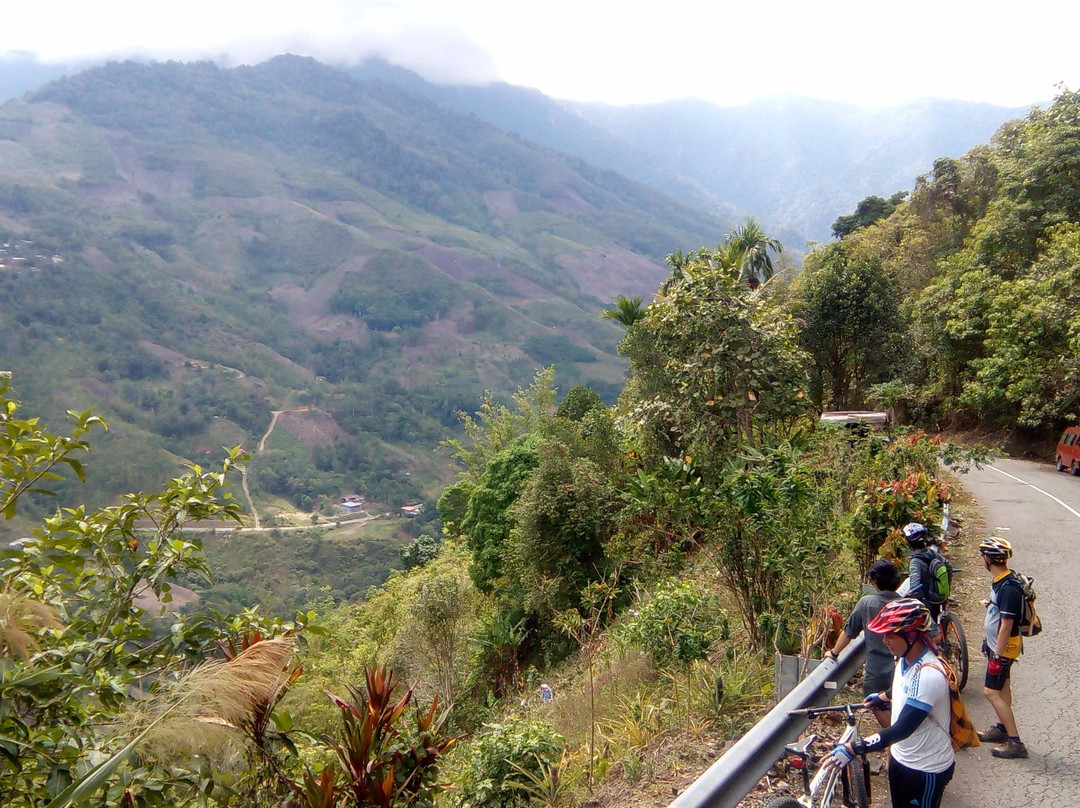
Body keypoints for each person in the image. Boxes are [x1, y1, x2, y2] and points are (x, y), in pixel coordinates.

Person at [825, 598, 954, 808]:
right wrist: (883, 697)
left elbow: (902, 729)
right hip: (901, 759)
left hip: (925, 770)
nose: (884, 641)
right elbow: (903, 685)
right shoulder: (905, 658)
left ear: (911, 635)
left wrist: (854, 748)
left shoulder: (928, 675)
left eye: (890, 635)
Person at [825, 559, 902, 726]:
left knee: (873, 700)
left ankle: (895, 736)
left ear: (874, 582)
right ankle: (901, 733)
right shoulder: (907, 604)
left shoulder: (867, 603)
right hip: (904, 667)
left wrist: (834, 653)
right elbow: (935, 635)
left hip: (877, 671)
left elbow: (849, 632)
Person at [976, 536, 1028, 759]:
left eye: (982, 555)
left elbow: (1006, 624)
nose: (981, 559)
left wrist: (997, 655)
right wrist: (987, 642)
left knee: (991, 692)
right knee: (1004, 687)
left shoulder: (1008, 589)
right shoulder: (1000, 580)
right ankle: (1001, 728)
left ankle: (1016, 742)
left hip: (1004, 648)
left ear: (988, 558)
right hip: (996, 644)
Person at [900, 522, 946, 620]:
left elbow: (915, 585)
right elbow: (947, 565)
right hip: (938, 596)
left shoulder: (915, 562)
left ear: (909, 543)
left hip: (926, 601)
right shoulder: (932, 552)